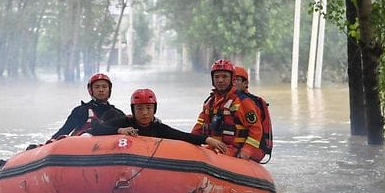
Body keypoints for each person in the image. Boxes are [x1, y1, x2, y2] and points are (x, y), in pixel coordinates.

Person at [91, 88, 228, 153]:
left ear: (154, 110)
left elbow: (182, 136)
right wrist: (119, 130)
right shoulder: (125, 122)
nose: (144, 113)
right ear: (133, 110)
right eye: (139, 108)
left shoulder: (158, 128)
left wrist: (207, 140)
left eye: (148, 108)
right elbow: (96, 128)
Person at [191, 59, 265, 161]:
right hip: (213, 148)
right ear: (212, 79)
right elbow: (198, 127)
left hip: (233, 151)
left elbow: (256, 129)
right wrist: (191, 142)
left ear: (232, 79)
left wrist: (247, 150)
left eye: (224, 76)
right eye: (217, 77)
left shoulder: (243, 102)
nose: (220, 80)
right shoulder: (210, 102)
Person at [49, 72, 126, 140]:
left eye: (104, 87)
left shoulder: (118, 114)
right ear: (90, 90)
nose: (101, 90)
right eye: (97, 87)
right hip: (82, 147)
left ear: (109, 89)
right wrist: (49, 143)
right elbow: (64, 131)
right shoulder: (81, 111)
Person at [232, 65, 273, 162]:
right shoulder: (219, 100)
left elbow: (256, 129)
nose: (233, 83)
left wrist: (247, 150)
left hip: (250, 149)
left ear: (245, 83)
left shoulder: (246, 102)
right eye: (232, 79)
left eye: (237, 80)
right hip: (229, 147)